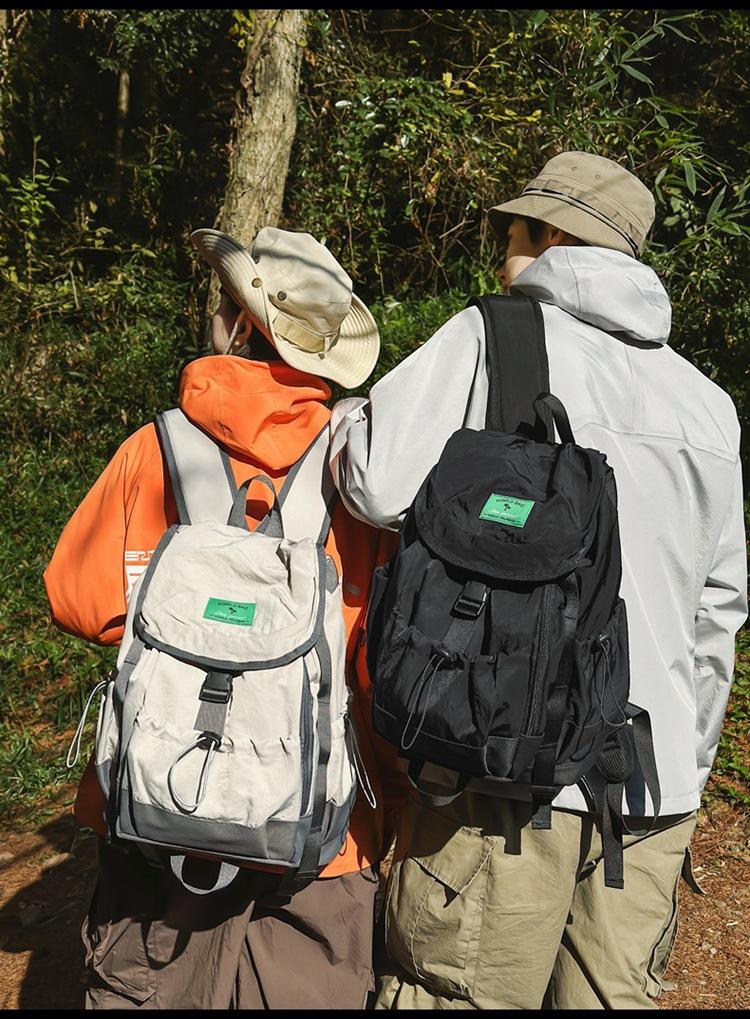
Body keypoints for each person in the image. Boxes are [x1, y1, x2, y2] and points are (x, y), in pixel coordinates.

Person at [329, 151, 748, 1009]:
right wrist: (687, 759)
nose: (500, 252)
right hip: (654, 783)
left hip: (507, 769)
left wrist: (341, 425)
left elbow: (374, 481)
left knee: (453, 993)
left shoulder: (495, 337)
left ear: (552, 235)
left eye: (511, 231)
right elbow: (720, 609)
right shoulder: (707, 403)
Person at [44, 226, 405, 1010]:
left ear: (241, 325)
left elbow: (77, 597)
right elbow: (382, 661)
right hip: (317, 822)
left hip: (160, 801)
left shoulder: (156, 448)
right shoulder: (361, 472)